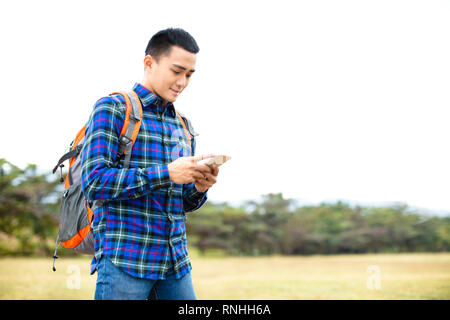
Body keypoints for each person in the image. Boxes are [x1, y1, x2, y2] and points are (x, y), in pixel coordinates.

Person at [80, 27, 219, 300]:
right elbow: (94, 182)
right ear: (149, 63)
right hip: (126, 260)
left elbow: (181, 203)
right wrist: (167, 173)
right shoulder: (114, 108)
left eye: (189, 74)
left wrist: (200, 188)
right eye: (176, 71)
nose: (183, 82)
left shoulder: (183, 125)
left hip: (175, 263)